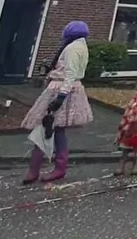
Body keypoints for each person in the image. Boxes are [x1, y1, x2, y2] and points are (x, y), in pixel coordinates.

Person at [21, 21, 94, 184]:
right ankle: (55, 167)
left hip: (60, 89)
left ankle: (36, 169)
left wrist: (60, 97)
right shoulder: (81, 46)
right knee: (56, 129)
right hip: (67, 88)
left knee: (46, 125)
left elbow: (70, 74)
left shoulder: (72, 48)